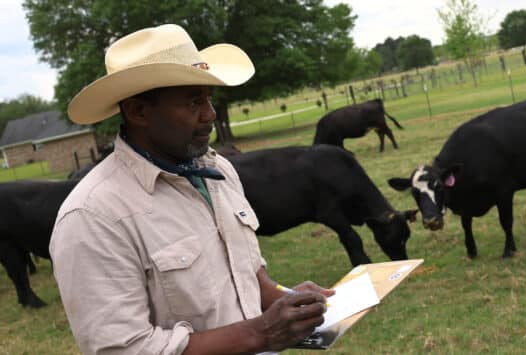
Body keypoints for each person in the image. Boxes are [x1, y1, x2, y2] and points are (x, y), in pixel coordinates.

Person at [50, 24, 333, 355]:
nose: (210, 114)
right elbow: (123, 349)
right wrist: (261, 334)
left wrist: (286, 300)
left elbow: (246, 271)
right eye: (193, 102)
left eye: (209, 98)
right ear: (138, 111)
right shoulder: (93, 217)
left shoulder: (217, 171)